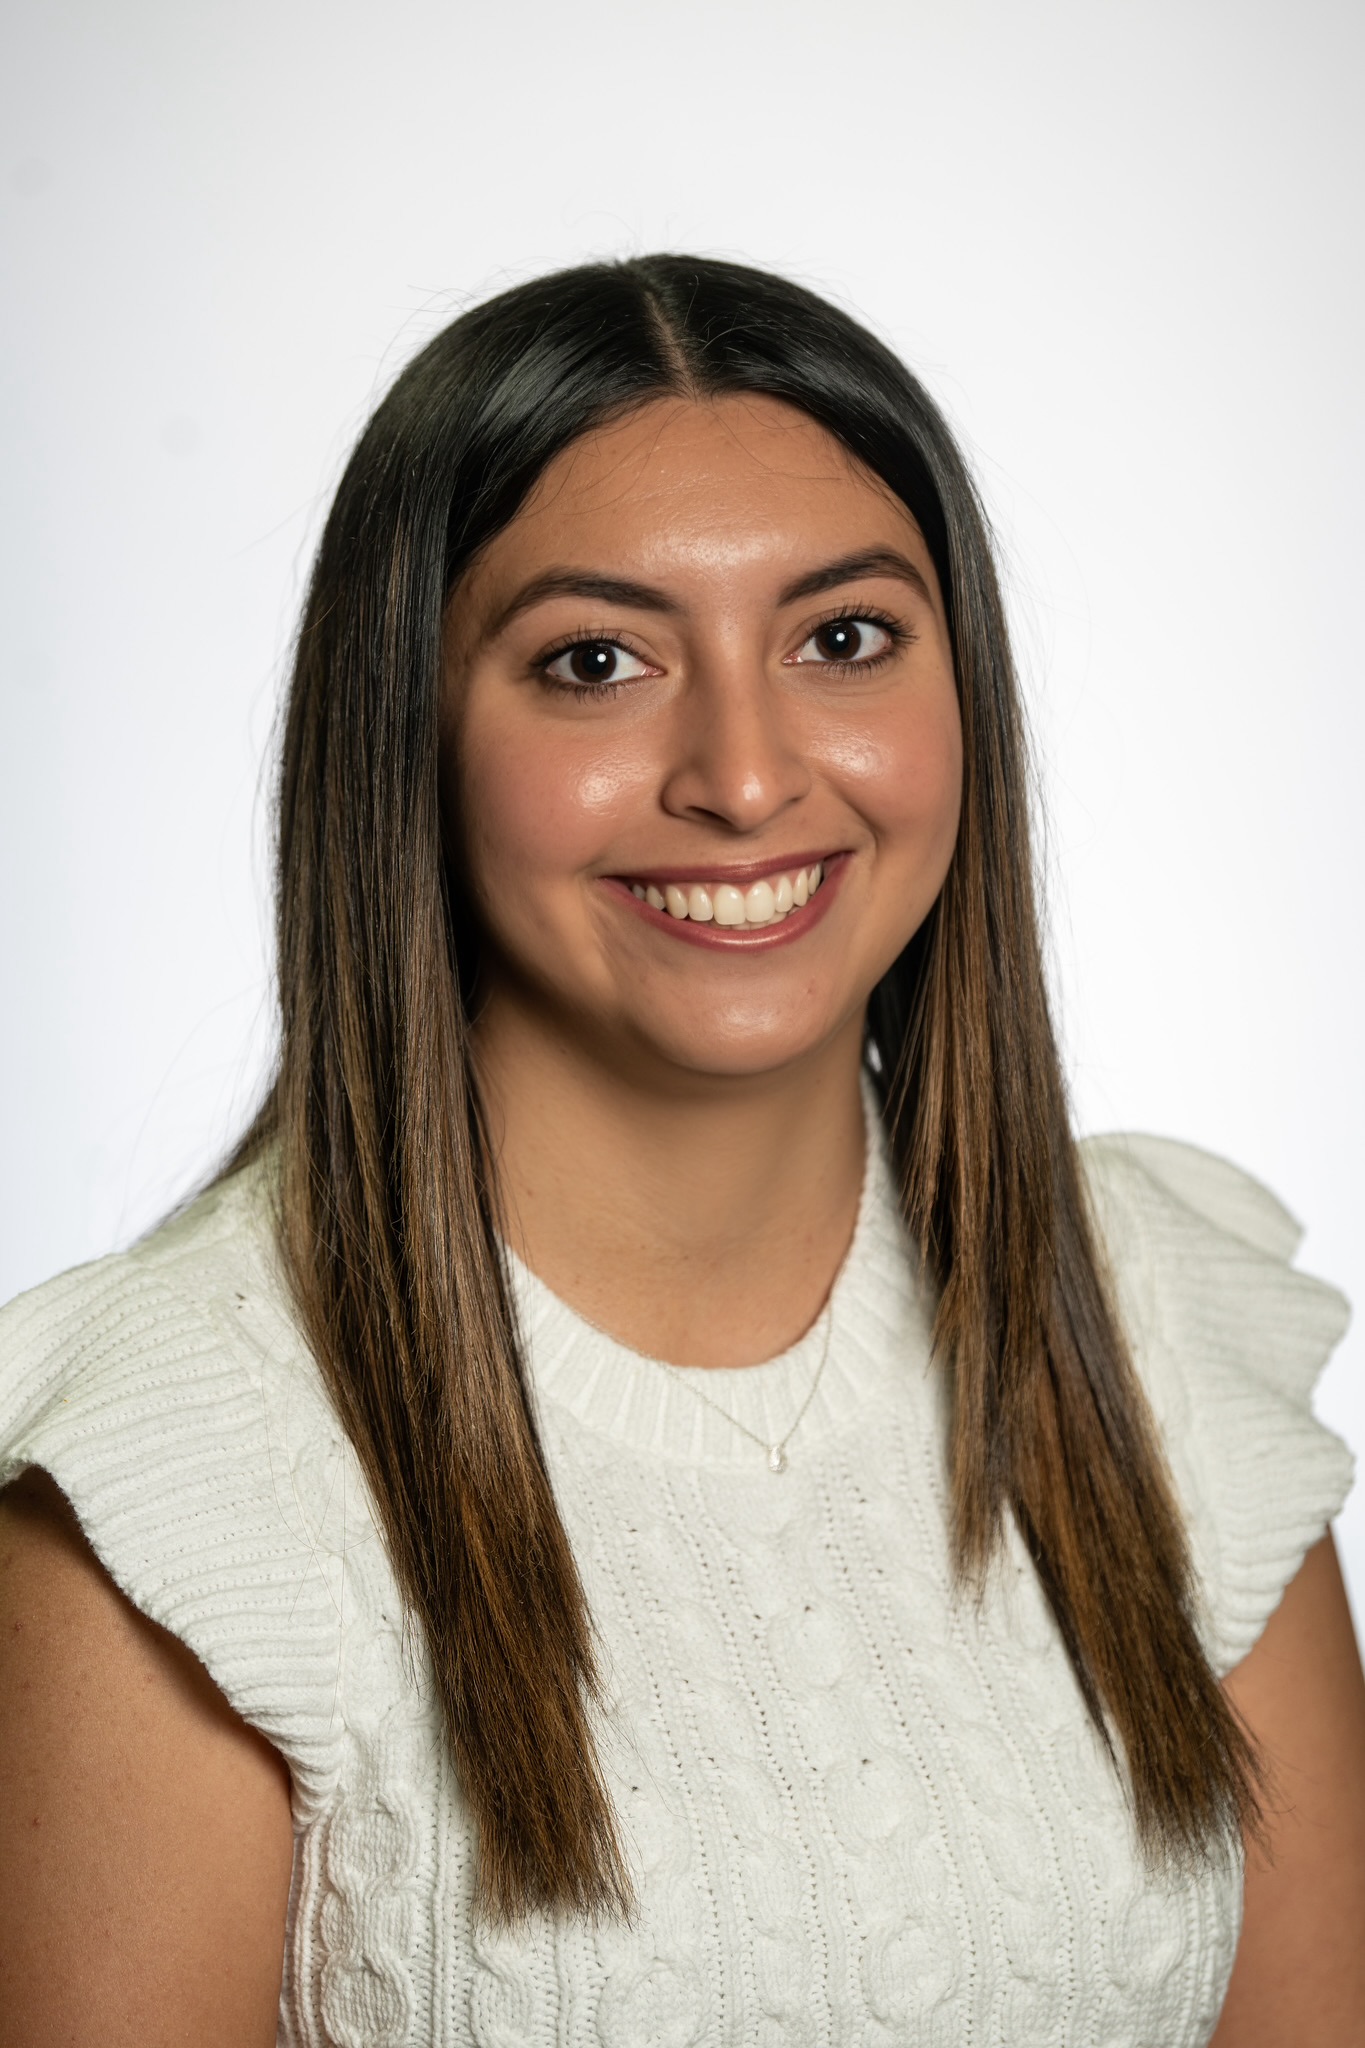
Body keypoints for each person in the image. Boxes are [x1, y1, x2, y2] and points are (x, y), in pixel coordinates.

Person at [1, 254, 1362, 2048]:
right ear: (404, 731)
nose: (740, 773)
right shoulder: (179, 1468)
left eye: (843, 639)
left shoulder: (1148, 1323)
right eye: (595, 662)